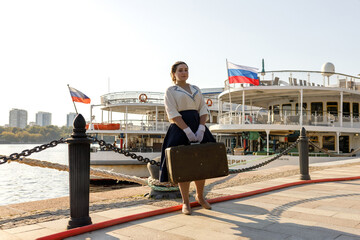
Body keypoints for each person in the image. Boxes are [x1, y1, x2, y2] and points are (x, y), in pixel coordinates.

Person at [159, 61, 216, 215]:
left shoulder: (196, 89)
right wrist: (187, 131)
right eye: (180, 70)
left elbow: (203, 108)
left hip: (198, 126)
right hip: (180, 128)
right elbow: (172, 112)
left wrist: (201, 128)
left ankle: (200, 196)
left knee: (201, 165)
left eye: (186, 70)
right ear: (174, 74)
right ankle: (185, 202)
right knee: (183, 167)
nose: (184, 72)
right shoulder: (170, 90)